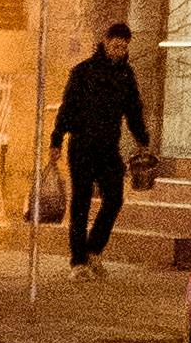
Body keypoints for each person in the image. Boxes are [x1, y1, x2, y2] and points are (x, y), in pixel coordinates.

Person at [48, 23, 153, 270]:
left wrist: (142, 140)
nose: (119, 50)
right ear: (105, 42)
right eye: (116, 45)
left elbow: (134, 110)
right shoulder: (83, 72)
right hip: (82, 146)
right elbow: (67, 107)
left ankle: (94, 248)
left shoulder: (127, 75)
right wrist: (56, 139)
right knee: (81, 203)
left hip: (108, 147)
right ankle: (78, 261)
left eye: (124, 47)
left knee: (114, 198)